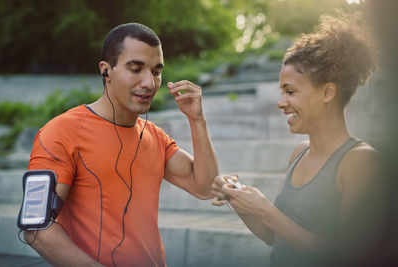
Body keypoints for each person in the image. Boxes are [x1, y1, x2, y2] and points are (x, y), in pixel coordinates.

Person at [24, 23, 218, 267]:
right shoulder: (59, 132)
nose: (149, 83)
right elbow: (36, 227)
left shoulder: (155, 136)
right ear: (106, 71)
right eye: (136, 69)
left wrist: (197, 120)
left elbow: (206, 187)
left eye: (156, 71)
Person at [212, 13, 383, 267]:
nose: (281, 103)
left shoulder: (360, 160)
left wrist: (267, 211)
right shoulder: (300, 153)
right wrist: (239, 200)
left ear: (328, 92)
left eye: (290, 92)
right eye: (282, 92)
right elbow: (274, 236)